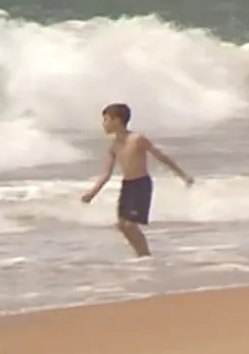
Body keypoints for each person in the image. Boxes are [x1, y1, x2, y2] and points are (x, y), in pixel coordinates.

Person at [80, 102, 195, 258]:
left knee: (129, 224)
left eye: (106, 120)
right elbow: (106, 174)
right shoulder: (114, 146)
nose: (103, 124)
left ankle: (145, 255)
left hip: (141, 184)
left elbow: (160, 156)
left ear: (117, 120)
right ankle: (142, 255)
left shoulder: (137, 139)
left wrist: (183, 175)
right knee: (122, 225)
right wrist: (92, 193)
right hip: (127, 186)